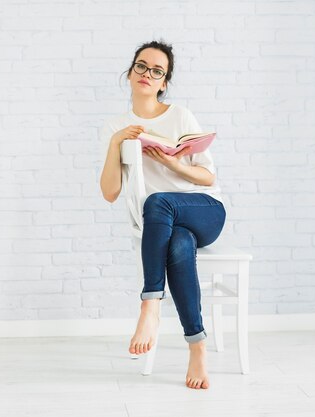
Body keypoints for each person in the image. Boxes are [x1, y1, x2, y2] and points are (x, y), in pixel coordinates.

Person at [99, 40, 227, 390]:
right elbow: (110, 192)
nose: (147, 74)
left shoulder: (181, 115)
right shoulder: (117, 125)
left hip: (205, 211)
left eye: (157, 70)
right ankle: (197, 345)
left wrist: (172, 163)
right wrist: (115, 143)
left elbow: (208, 177)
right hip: (170, 227)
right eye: (142, 66)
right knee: (179, 249)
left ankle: (150, 303)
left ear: (164, 81)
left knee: (157, 201)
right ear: (130, 72)